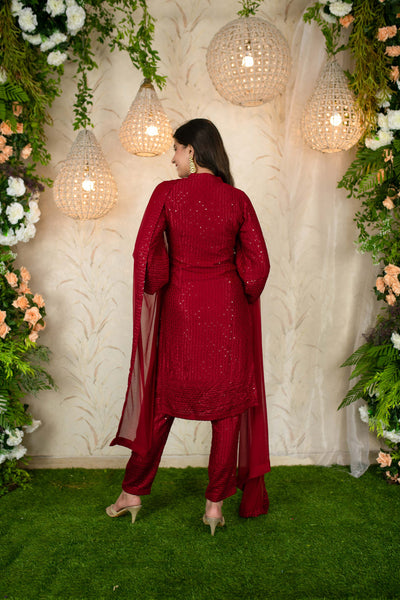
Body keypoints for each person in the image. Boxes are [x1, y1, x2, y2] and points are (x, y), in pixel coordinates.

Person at [107, 118, 270, 535]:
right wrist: (231, 276)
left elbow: (146, 256)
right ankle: (214, 506)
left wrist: (166, 272)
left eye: (176, 149)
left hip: (181, 310)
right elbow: (257, 269)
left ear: (192, 151)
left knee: (162, 404)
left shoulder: (167, 193)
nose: (173, 158)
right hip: (228, 313)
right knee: (227, 411)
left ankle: (132, 492)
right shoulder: (238, 200)